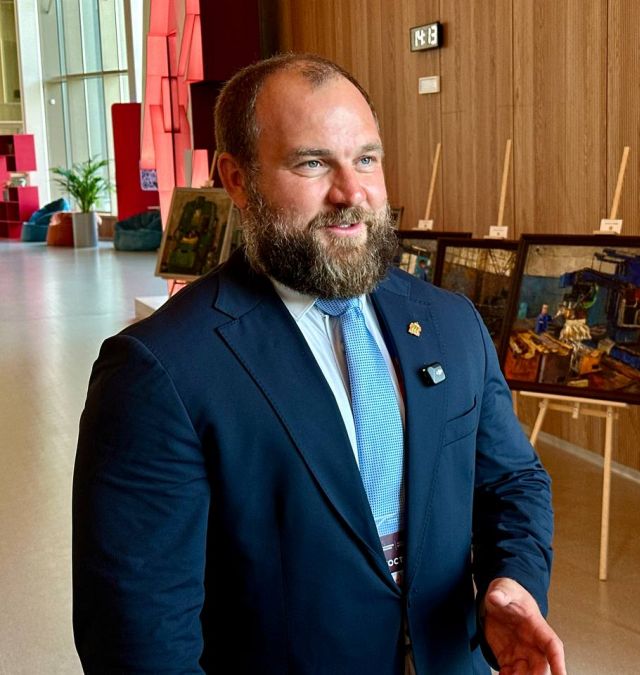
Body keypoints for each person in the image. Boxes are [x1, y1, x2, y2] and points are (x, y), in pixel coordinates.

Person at [72, 53, 563, 675]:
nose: (352, 193)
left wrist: (512, 583)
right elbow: (139, 636)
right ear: (237, 179)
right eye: (312, 163)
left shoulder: (450, 322)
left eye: (366, 159)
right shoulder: (159, 370)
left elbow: (511, 483)